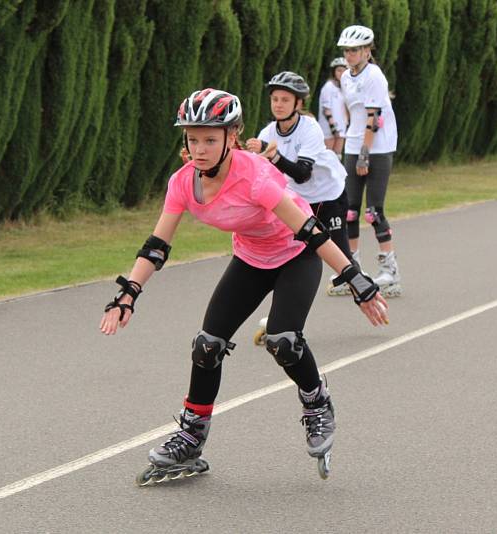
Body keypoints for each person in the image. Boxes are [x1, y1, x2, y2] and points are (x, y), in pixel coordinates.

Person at [100, 88, 389, 485]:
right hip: (252, 258)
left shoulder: (252, 174)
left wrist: (355, 279)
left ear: (231, 137)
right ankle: (191, 435)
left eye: (210, 139)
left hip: (296, 253)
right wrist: (128, 293)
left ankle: (316, 402)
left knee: (283, 340)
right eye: (192, 139)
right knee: (206, 346)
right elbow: (156, 246)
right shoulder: (183, 182)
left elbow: (309, 230)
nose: (199, 149)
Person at [246, 71, 353, 304]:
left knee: (341, 257)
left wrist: (273, 157)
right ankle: (284, 316)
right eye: (275, 99)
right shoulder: (268, 133)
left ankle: (364, 290)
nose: (279, 105)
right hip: (299, 201)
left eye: (285, 100)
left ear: (299, 102)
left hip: (328, 194)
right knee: (291, 257)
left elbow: (302, 174)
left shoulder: (309, 128)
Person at [337, 25, 402, 297]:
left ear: (367, 50)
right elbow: (352, 115)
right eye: (346, 51)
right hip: (353, 144)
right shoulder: (345, 77)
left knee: (373, 211)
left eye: (354, 50)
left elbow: (374, 119)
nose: (349, 55)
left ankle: (390, 271)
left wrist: (364, 154)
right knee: (349, 210)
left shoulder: (374, 76)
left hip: (376, 148)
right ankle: (352, 269)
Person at [318, 57, 349, 157]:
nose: (341, 73)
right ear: (333, 72)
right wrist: (333, 128)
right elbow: (326, 110)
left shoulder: (344, 88)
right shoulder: (328, 87)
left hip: (341, 127)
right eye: (339, 70)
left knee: (337, 156)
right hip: (328, 128)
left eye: (344, 71)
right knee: (327, 157)